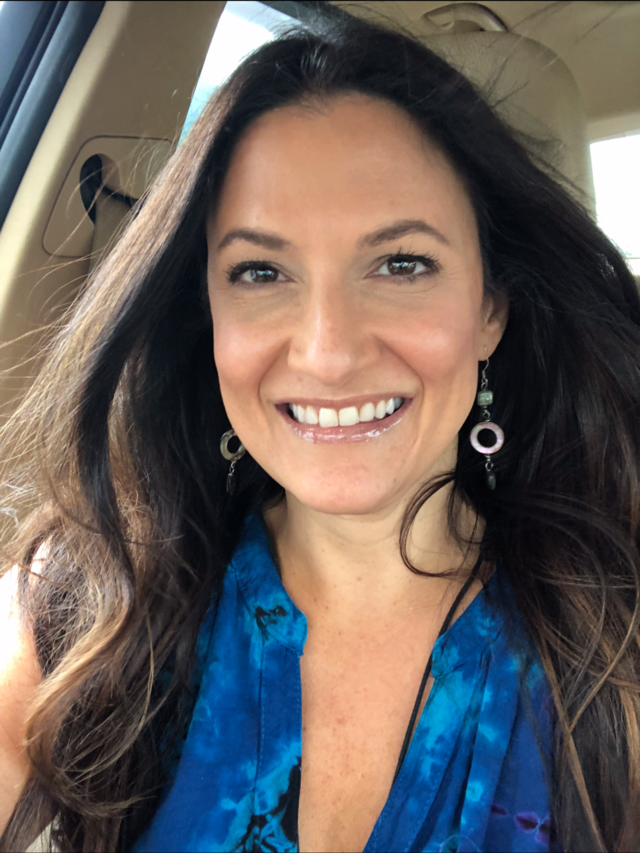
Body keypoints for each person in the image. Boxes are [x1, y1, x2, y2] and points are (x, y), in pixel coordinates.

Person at [1, 9, 639, 853]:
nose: (329, 354)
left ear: (491, 308)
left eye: (402, 263)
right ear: (207, 315)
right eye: (260, 271)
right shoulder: (85, 602)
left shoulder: (613, 645)